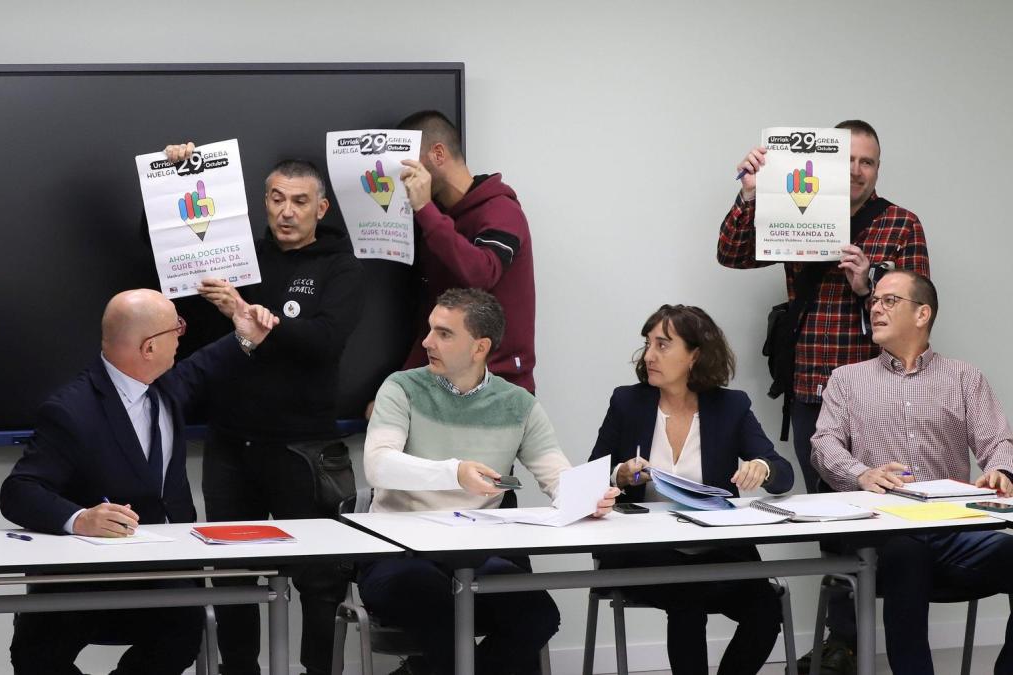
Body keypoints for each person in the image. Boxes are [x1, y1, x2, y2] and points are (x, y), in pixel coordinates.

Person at [718, 120, 929, 671]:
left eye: (869, 162)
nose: (859, 171)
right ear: (829, 164)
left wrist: (870, 281)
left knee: (886, 515)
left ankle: (878, 633)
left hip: (883, 393)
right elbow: (733, 255)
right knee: (833, 523)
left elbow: (920, 304)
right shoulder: (797, 203)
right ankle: (844, 639)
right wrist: (749, 195)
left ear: (878, 169)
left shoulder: (901, 224)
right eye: (850, 160)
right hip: (813, 388)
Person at [0, 289, 277, 675]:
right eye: (175, 329)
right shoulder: (71, 411)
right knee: (36, 651)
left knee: (181, 633)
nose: (182, 335)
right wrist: (80, 518)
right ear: (149, 348)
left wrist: (247, 334)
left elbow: (208, 364)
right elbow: (18, 492)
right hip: (88, 581)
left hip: (167, 578)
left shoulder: (164, 387)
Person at [163, 145, 364, 675]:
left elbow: (325, 341)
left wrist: (250, 317)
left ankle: (318, 670)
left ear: (321, 209)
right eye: (276, 198)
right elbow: (167, 242)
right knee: (233, 575)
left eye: (300, 201)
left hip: (305, 449)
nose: (286, 211)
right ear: (264, 202)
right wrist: (178, 173)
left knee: (321, 581)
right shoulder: (237, 258)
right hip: (231, 445)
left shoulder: (341, 266)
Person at [360, 288, 618, 675]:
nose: (427, 341)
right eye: (430, 329)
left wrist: (587, 497)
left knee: (538, 615)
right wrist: (455, 472)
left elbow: (556, 474)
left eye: (444, 334)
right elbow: (378, 465)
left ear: (479, 347)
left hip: (474, 555)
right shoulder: (401, 388)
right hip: (398, 554)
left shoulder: (518, 404)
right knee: (432, 599)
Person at [811, 269, 1013, 675]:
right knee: (908, 553)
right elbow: (823, 444)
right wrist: (861, 473)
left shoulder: (963, 377)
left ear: (923, 314)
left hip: (951, 531)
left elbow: (998, 443)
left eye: (889, 301)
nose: (876, 308)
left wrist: (1001, 471)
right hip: (879, 535)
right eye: (874, 302)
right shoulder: (847, 380)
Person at [589, 304, 794, 675]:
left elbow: (782, 473)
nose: (649, 355)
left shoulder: (730, 406)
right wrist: (621, 474)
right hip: (645, 552)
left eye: (663, 345)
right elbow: (592, 476)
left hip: (717, 552)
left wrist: (760, 468)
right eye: (648, 344)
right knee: (687, 595)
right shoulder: (627, 401)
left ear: (695, 355)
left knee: (766, 610)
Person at [396, 110, 536, 393]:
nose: (404, 175)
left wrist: (426, 210)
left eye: (410, 162)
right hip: (444, 388)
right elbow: (434, 315)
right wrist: (401, 387)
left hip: (498, 390)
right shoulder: (436, 219)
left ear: (438, 154)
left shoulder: (501, 210)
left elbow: (481, 273)